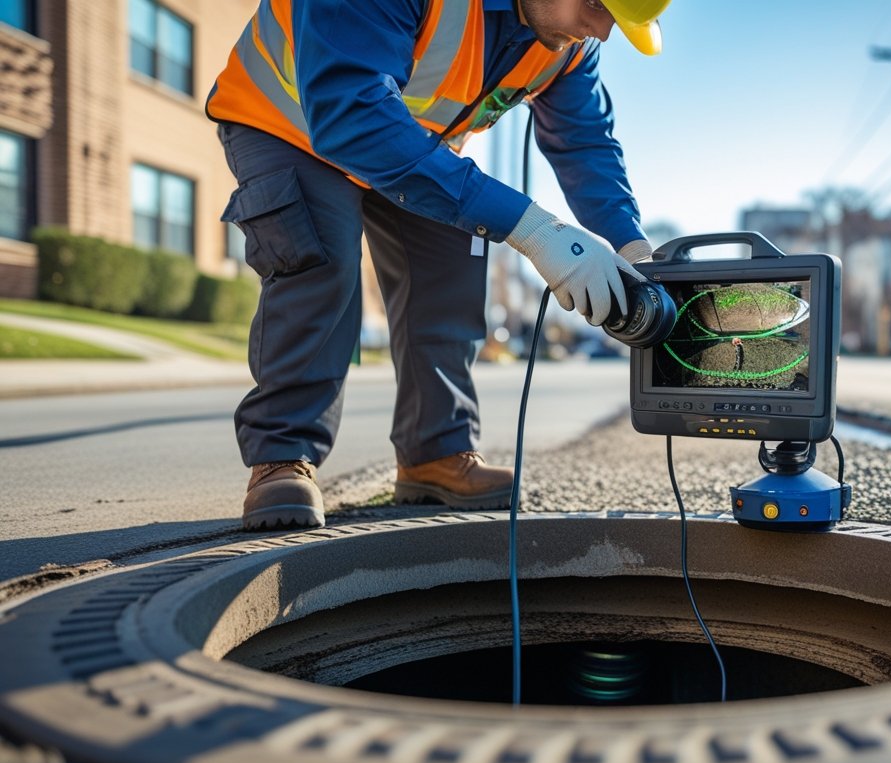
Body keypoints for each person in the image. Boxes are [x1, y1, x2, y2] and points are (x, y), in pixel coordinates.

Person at [206, 0, 671, 530]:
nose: (603, 32)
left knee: (451, 276)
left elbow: (586, 143)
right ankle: (282, 458)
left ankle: (435, 454)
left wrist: (634, 251)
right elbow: (352, 113)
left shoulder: (569, 44)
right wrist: (535, 230)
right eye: (596, 6)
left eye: (621, 21)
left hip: (415, 146)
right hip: (292, 123)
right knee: (322, 263)